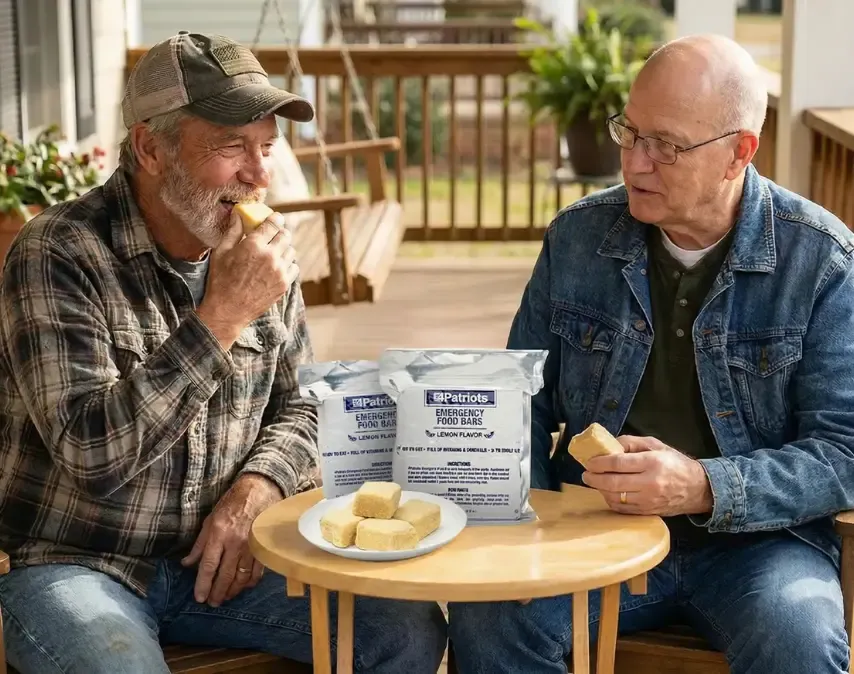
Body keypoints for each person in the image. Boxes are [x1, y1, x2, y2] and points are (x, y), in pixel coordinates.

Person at [0, 32, 446, 674]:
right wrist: (223, 316)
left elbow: (306, 406)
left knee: (403, 627)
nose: (259, 174)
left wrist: (256, 491)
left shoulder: (262, 248)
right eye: (232, 147)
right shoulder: (58, 252)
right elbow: (92, 455)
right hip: (76, 562)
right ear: (151, 149)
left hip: (226, 557)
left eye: (266, 147)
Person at [448, 34, 854, 674]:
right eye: (630, 133)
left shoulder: (822, 261)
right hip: (591, 531)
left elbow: (843, 453)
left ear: (738, 153)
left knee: (797, 636)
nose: (635, 164)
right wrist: (523, 522)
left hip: (762, 546)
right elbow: (517, 402)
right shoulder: (577, 237)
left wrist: (703, 485)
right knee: (490, 614)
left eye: (666, 145)